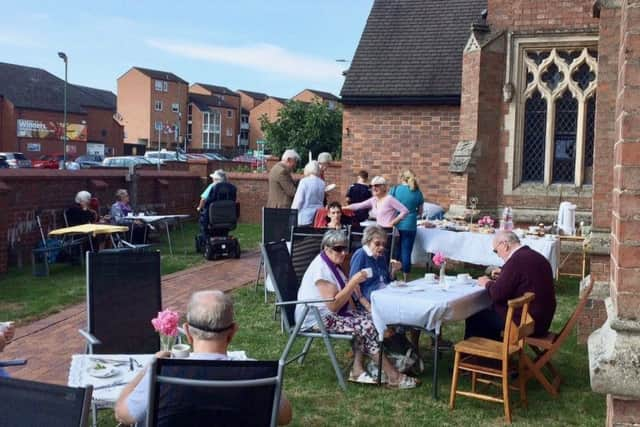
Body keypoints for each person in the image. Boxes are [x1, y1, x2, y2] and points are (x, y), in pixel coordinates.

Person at [115, 290, 292, 426]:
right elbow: (284, 417)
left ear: (188, 333)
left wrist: (147, 368)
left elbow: (123, 414)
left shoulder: (164, 373)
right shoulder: (257, 375)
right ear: (232, 332)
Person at [295, 229, 418, 389]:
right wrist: (353, 282)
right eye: (338, 249)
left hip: (328, 315)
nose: (343, 252)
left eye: (345, 248)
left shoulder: (333, 264)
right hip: (315, 319)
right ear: (326, 248)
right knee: (366, 326)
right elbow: (333, 305)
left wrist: (361, 311)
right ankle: (393, 376)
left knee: (371, 320)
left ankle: (358, 369)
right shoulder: (321, 270)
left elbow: (346, 299)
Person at [465, 230, 556, 340]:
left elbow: (497, 294)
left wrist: (486, 283)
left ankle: (481, 355)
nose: (498, 255)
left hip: (527, 323)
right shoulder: (536, 256)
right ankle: (494, 352)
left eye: (496, 251)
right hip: (542, 320)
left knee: (476, 315)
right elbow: (523, 281)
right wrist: (504, 274)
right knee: (488, 312)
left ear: (505, 245)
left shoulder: (516, 260)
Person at [349, 225, 402, 302]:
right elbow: (352, 284)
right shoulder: (361, 255)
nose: (381, 247)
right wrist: (367, 305)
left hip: (385, 293)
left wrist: (393, 271)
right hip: (370, 298)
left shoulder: (381, 256)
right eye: (377, 244)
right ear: (367, 242)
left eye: (383, 244)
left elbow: (386, 280)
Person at [390, 170, 424, 282]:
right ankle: (406, 278)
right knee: (406, 251)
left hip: (397, 223)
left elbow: (389, 206)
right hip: (411, 224)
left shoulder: (395, 190)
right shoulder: (417, 192)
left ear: (402, 178)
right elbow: (420, 212)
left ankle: (393, 273)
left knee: (395, 250)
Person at [196, 170, 237, 238]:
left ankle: (206, 237)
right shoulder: (231, 188)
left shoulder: (212, 186)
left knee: (202, 220)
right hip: (227, 218)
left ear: (216, 179)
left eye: (213, 178)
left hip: (212, 217)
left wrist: (199, 208)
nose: (212, 180)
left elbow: (203, 199)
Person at [291, 161, 325, 226]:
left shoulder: (304, 181)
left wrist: (292, 213)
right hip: (318, 216)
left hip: (305, 216)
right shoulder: (322, 183)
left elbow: (299, 200)